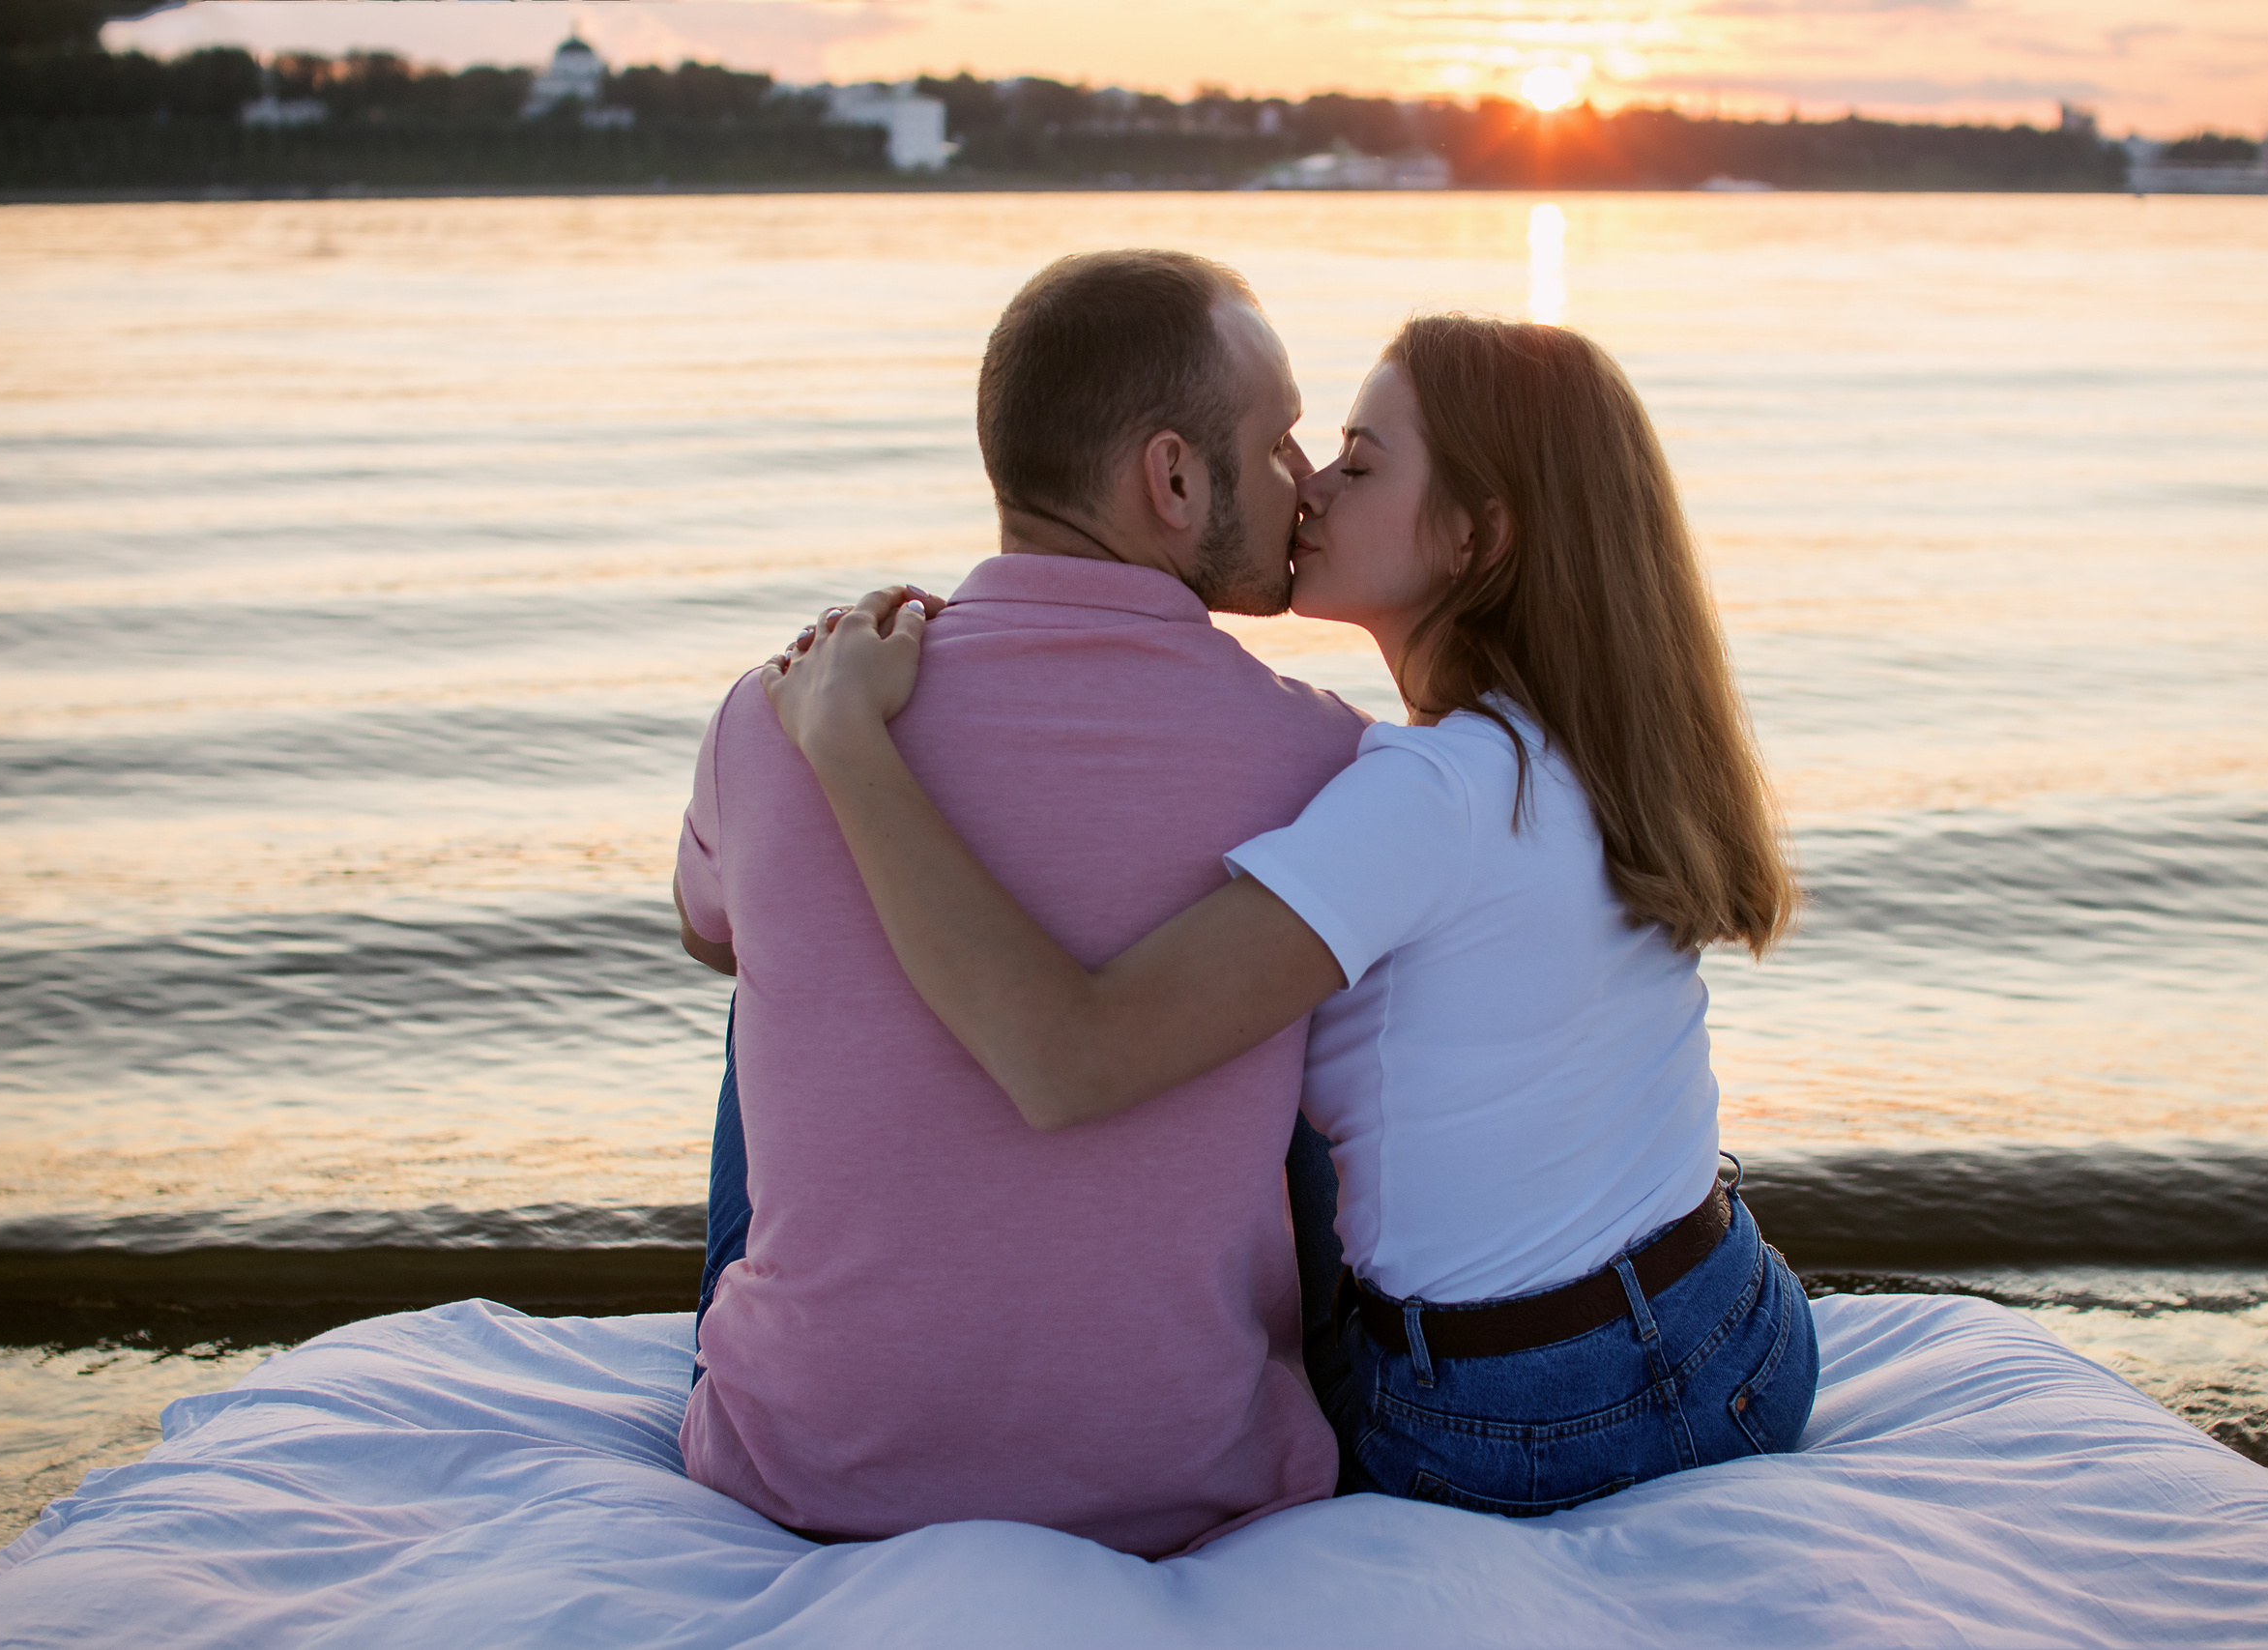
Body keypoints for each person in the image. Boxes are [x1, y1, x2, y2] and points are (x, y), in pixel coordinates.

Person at [764, 312, 1820, 1516]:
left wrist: (847, 744)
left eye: (1360, 462)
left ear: (1477, 536)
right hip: (1735, 1325)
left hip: (1530, 1419)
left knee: (823, 999)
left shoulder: (1427, 796)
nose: (1310, 486)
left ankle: (796, 1354)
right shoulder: (1573, 748)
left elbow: (1067, 1058)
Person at [669, 248, 1370, 1557]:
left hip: (802, 1467)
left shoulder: (778, 708)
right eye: (1278, 442)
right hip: (1186, 1479)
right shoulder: (1324, 762)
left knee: (775, 952)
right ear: (1171, 477)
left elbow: (702, 927)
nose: (1308, 482)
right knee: (1306, 998)